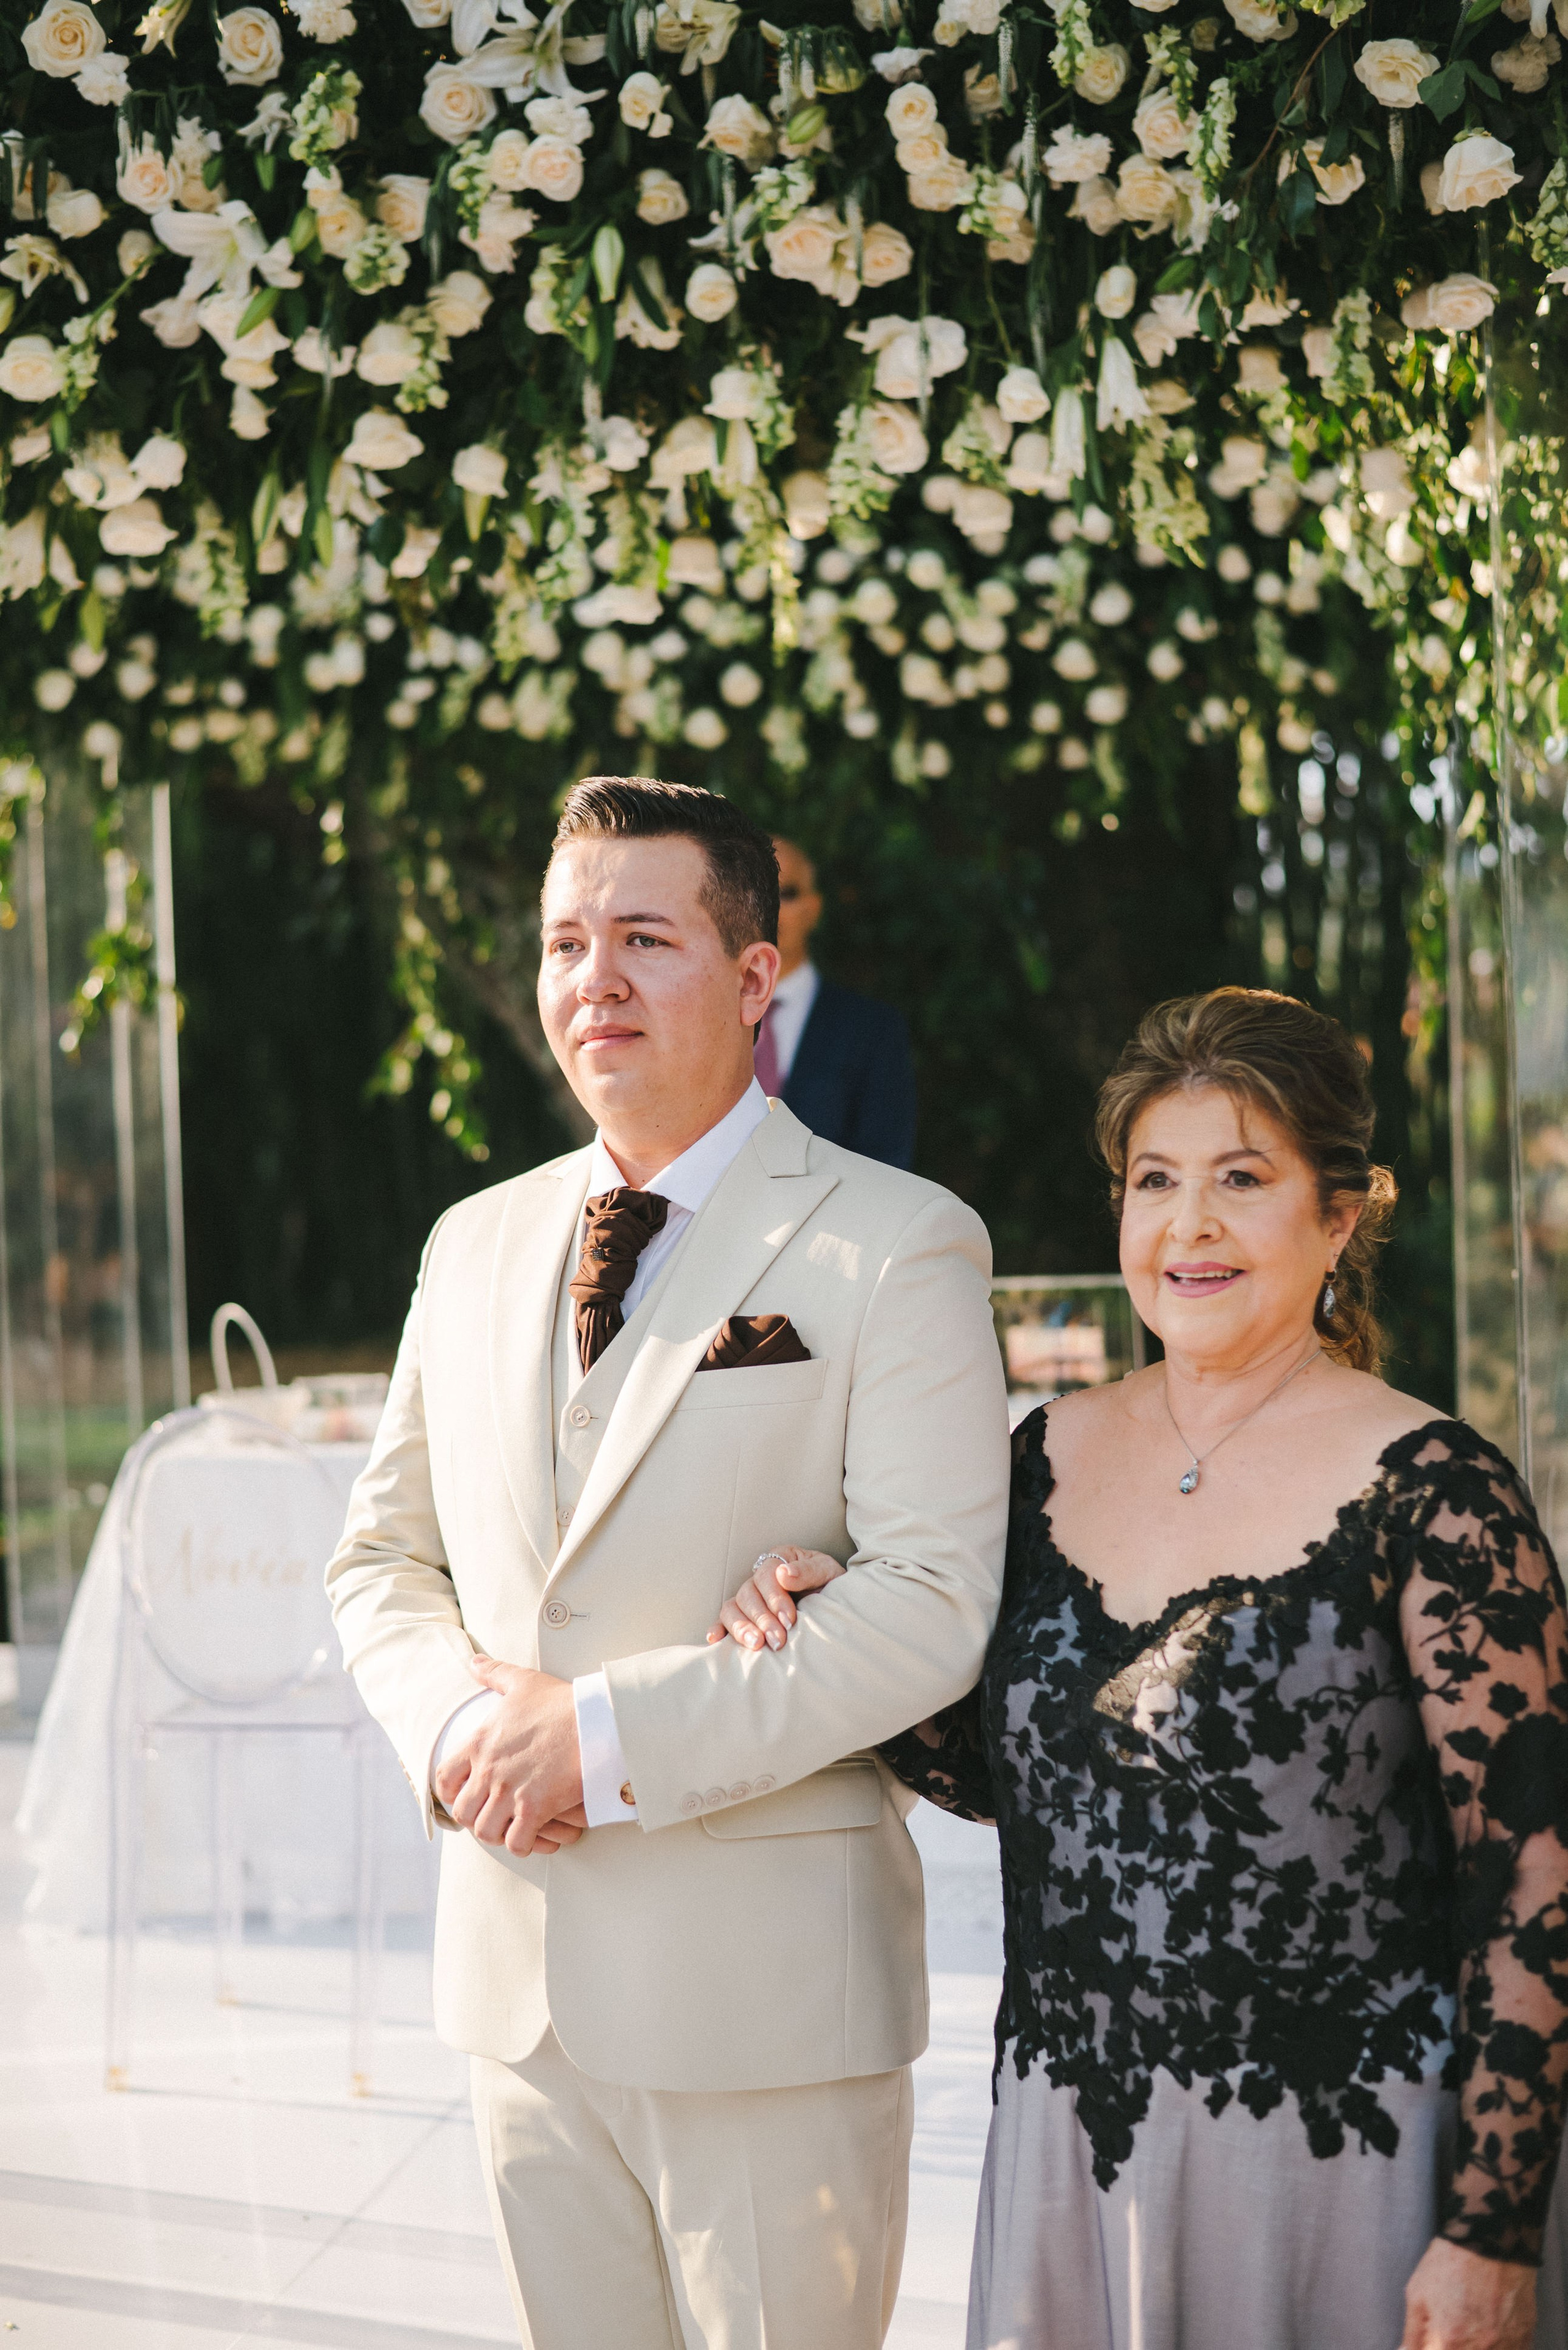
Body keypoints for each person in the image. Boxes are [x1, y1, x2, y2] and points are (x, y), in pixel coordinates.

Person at [714, 988, 1568, 2350]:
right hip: (1070, 2154)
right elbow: (1023, 1777)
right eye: (1153, 1180)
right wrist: (837, 1620)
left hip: (1336, 2169)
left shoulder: (1438, 1494)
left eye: (1242, 1178)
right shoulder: (1038, 1458)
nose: (1190, 1225)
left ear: (1337, 1214)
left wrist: (1488, 2230)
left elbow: (1530, 1882)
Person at [325, 776, 1011, 2350]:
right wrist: (465, 1738)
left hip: (766, 2008)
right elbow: (380, 1559)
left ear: (755, 975)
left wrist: (603, 1738)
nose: (594, 980)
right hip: (515, 1977)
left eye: (645, 937)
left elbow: (928, 1606)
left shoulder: (897, 1241)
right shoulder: (471, 1241)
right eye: (568, 941)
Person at [755, 835, 918, 1169]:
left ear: (814, 909)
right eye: (755, 891)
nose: (770, 907)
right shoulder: (696, 1018)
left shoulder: (873, 1030)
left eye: (786, 893)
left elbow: (886, 1164)